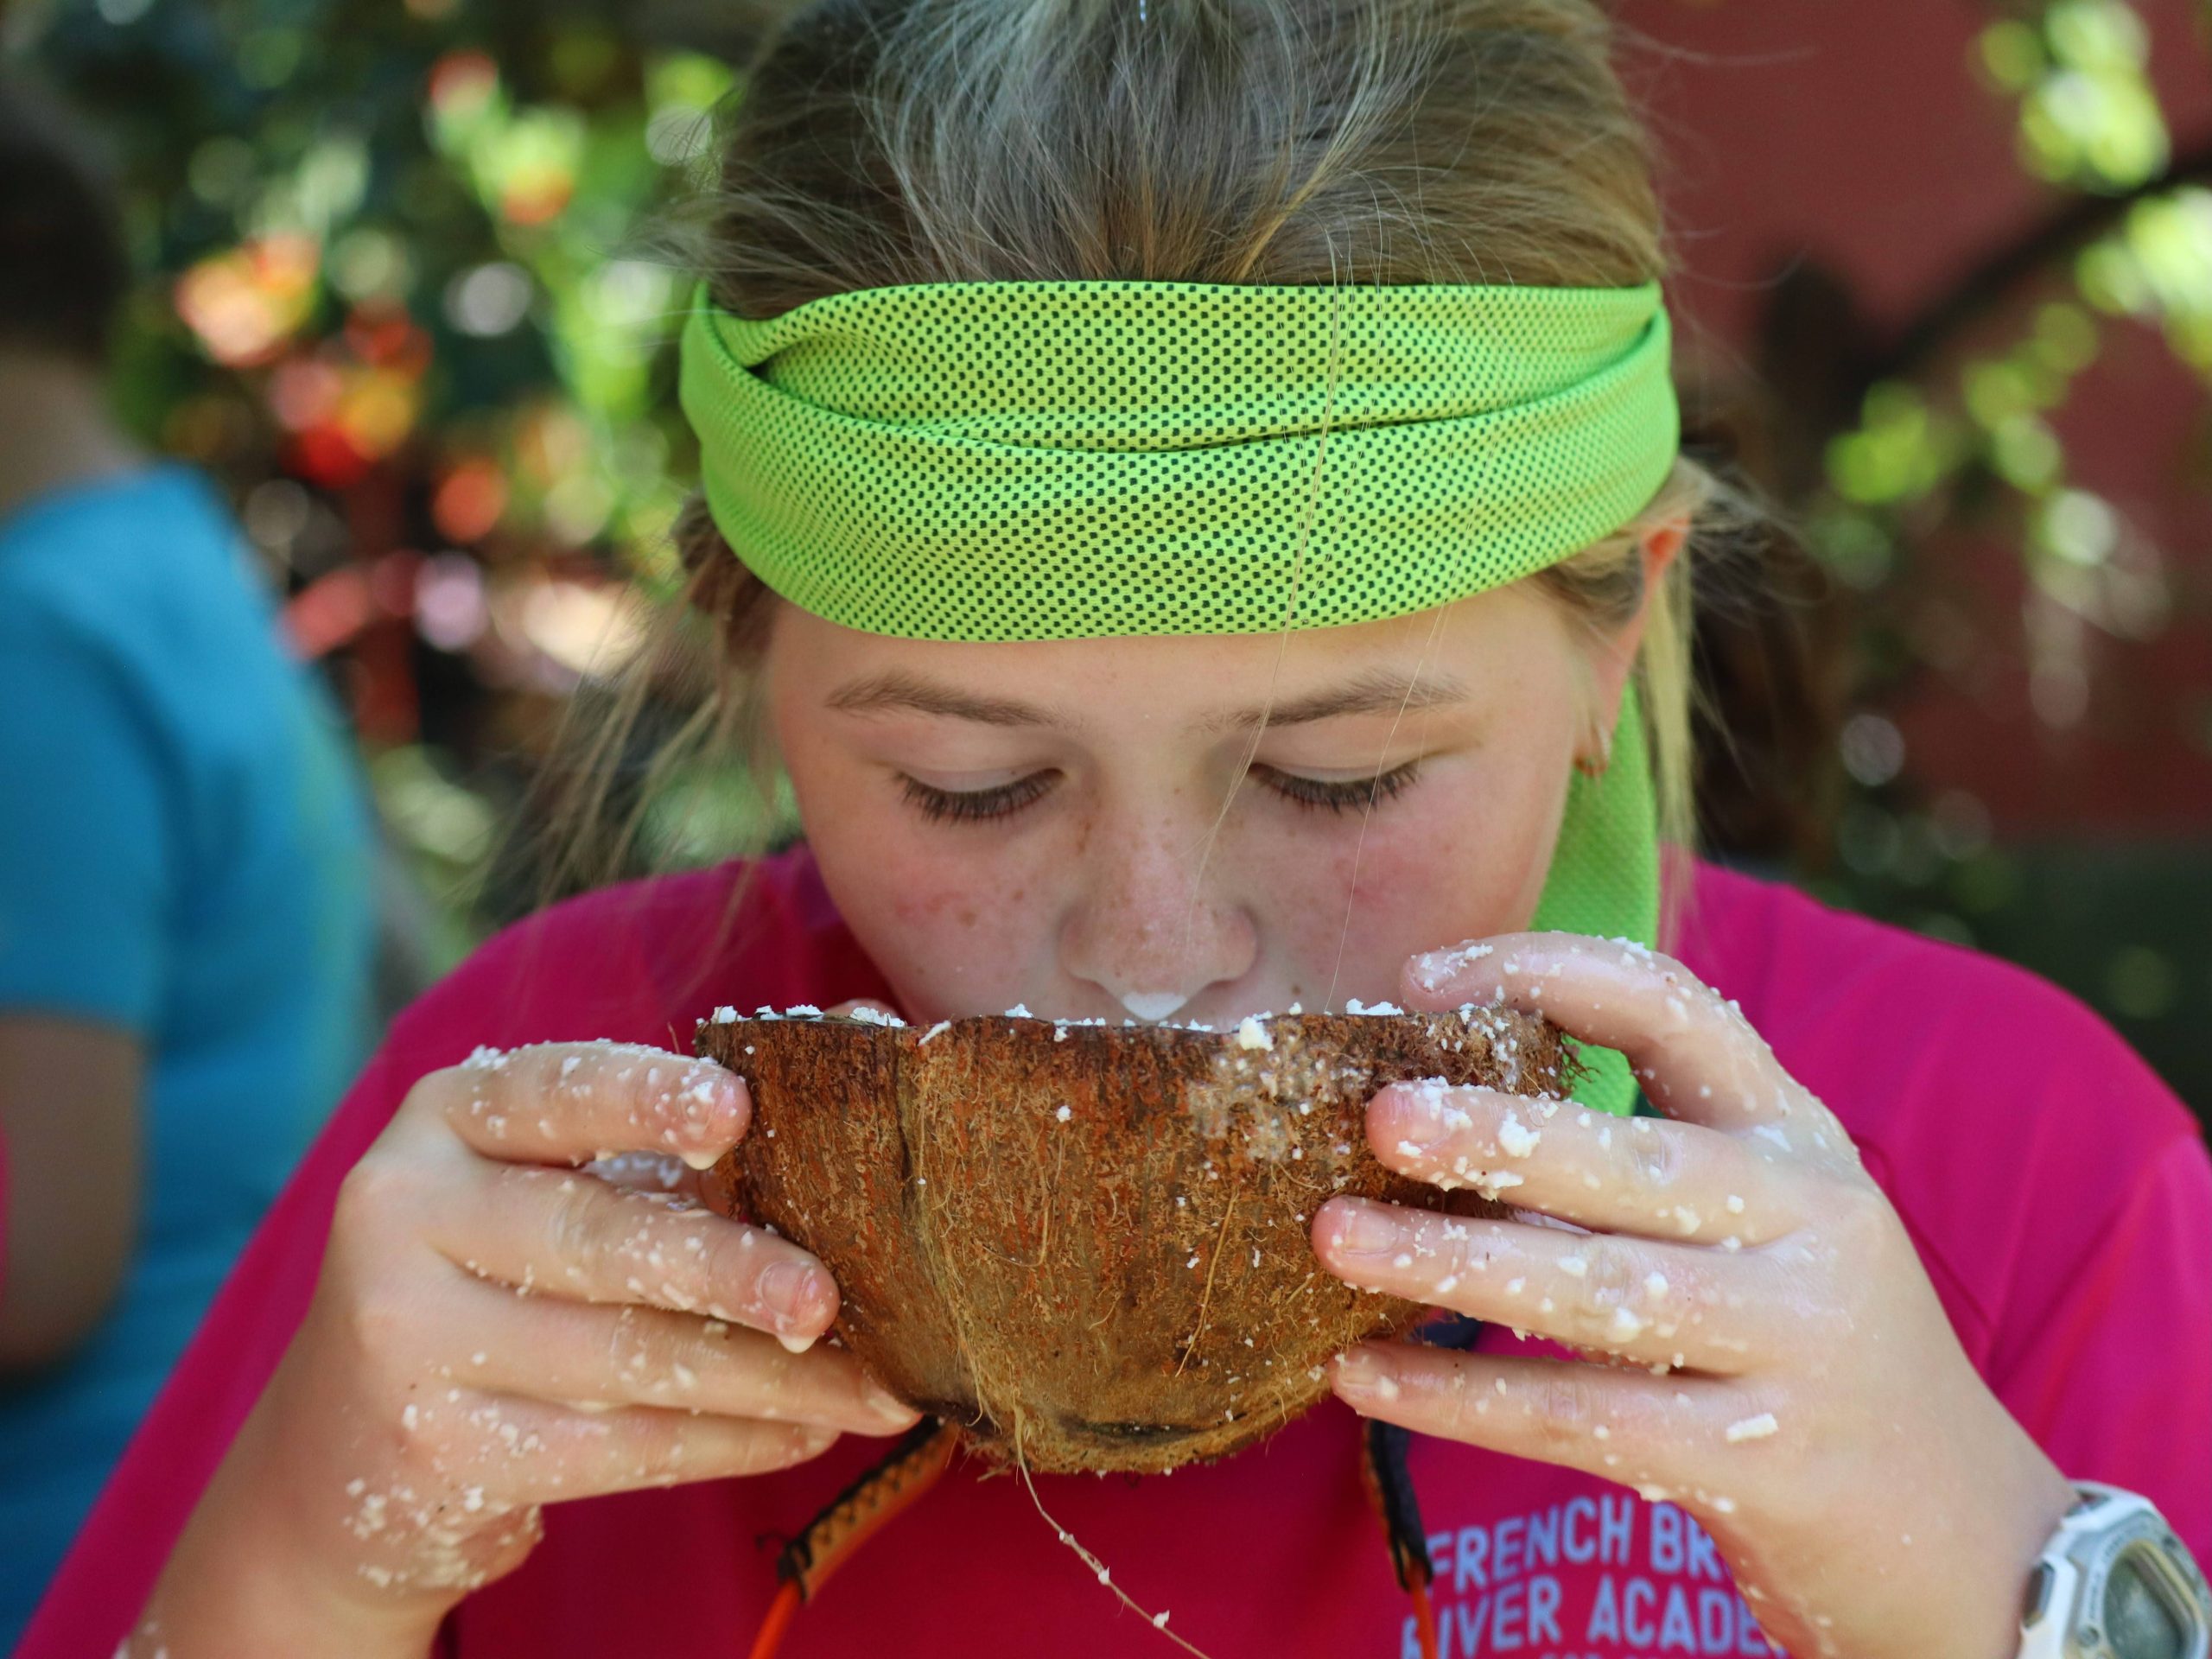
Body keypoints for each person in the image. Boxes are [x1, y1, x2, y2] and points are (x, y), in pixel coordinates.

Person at [25, 3, 2212, 1656]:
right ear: (746, 659)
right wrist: (305, 1561)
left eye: (1341, 773)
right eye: (969, 785)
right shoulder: (530, 1185)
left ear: (1612, 621)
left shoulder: (2003, 1179)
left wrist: (1990, 1576)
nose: (1153, 950)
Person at [0, 71, 379, 1643]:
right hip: (192, 1495)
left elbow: (34, 1257)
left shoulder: (39, 641)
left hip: (65, 1555)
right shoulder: (165, 562)